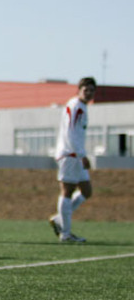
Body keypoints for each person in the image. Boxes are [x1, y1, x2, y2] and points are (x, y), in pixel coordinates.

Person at [49, 77, 97, 243]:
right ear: (79, 90)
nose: (89, 93)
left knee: (86, 191)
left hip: (76, 154)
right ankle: (66, 234)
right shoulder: (75, 106)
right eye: (86, 90)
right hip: (70, 154)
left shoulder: (82, 106)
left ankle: (59, 219)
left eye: (91, 90)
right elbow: (70, 133)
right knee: (67, 191)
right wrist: (81, 155)